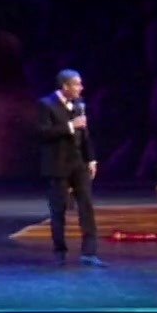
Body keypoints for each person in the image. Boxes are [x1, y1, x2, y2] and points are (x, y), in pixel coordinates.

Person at [37, 69, 105, 267]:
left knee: (86, 206)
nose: (81, 88)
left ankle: (89, 253)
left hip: (79, 163)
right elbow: (43, 133)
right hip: (57, 165)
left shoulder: (78, 104)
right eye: (77, 84)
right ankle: (59, 251)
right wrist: (69, 126)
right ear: (65, 86)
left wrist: (91, 159)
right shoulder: (45, 104)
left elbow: (84, 133)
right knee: (59, 208)